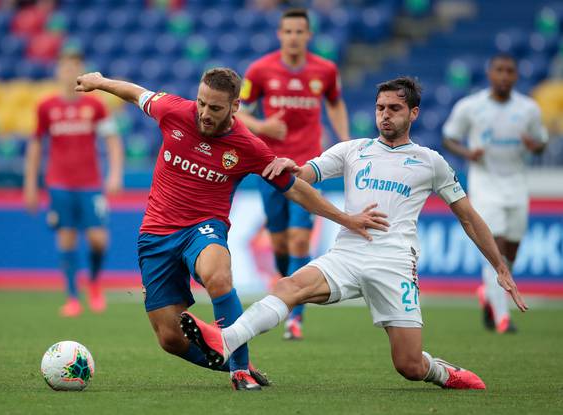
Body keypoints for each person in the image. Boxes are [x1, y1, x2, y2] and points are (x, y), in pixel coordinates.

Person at [180, 77, 529, 390]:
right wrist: (291, 169)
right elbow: (306, 174)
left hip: (394, 264)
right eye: (380, 108)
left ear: (414, 113)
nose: (385, 115)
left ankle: (441, 372)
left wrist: (499, 266)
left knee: (409, 365)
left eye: (394, 108)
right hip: (347, 255)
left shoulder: (431, 162)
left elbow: (468, 217)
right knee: (289, 286)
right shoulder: (353, 151)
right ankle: (226, 341)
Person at [74, 67, 388, 391]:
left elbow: (293, 188)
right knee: (169, 338)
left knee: (218, 274)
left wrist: (347, 218)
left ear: (235, 107)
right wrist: (100, 83)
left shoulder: (248, 146)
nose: (204, 114)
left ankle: (240, 371)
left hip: (203, 228)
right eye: (201, 103)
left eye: (215, 108)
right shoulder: (173, 111)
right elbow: (134, 92)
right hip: (156, 233)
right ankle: (232, 361)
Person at [236, 8, 350, 340]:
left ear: (308, 35)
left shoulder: (325, 70)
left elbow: (335, 103)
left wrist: (344, 140)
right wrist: (264, 126)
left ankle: (294, 316)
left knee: (301, 238)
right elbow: (240, 113)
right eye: (288, 31)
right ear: (280, 34)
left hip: (307, 169)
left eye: (300, 31)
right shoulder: (260, 70)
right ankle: (288, 296)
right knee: (280, 243)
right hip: (270, 166)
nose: (294, 37)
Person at [442, 54, 547, 334]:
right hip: (485, 184)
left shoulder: (528, 109)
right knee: (495, 248)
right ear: (490, 74)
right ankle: (502, 317)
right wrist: (467, 153)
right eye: (499, 70)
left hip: (516, 184)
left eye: (509, 71)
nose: (504, 76)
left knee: (511, 249)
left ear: (516, 76)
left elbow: (542, 144)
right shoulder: (471, 107)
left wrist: (533, 145)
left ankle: (488, 292)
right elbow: (448, 137)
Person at [23, 49, 124, 317]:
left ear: (80, 71)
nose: (68, 73)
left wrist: (114, 173)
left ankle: (93, 284)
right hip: (59, 183)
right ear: (58, 71)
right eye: (65, 68)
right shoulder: (46, 107)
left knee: (98, 240)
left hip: (90, 183)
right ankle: (72, 297)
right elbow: (35, 146)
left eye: (74, 68)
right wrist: (30, 185)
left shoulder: (95, 105)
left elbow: (112, 140)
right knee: (66, 238)